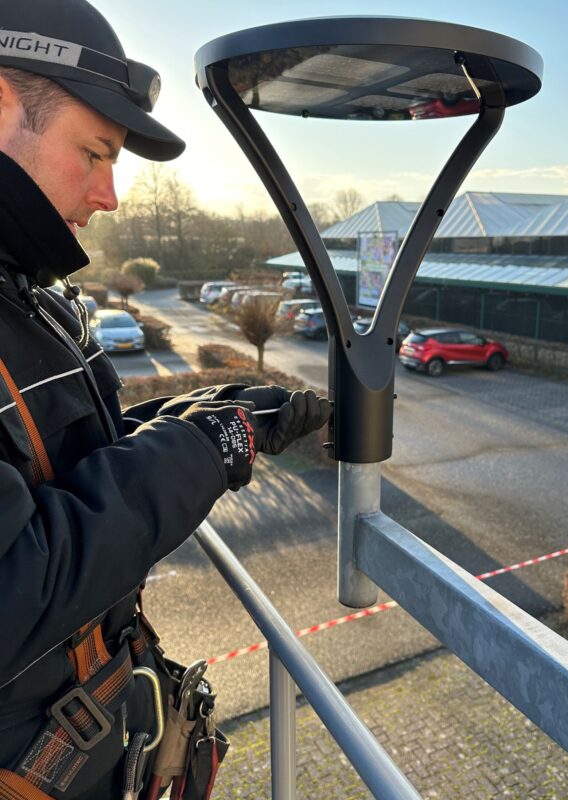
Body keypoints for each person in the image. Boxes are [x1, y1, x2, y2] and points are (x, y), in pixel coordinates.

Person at [0, 1, 331, 798]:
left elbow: (66, 465)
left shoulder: (26, 293)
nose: (111, 194)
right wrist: (203, 448)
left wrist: (203, 414)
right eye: (95, 153)